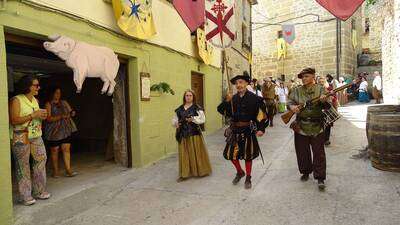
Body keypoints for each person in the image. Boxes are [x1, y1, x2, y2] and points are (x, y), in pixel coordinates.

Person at [217, 73, 267, 189]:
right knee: (231, 155)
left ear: (246, 84)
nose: (238, 85)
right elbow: (220, 110)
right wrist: (226, 101)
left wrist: (261, 129)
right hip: (234, 130)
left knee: (247, 155)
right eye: (236, 83)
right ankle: (240, 172)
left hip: (248, 131)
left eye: (241, 82)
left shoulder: (255, 98)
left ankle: (248, 177)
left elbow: (261, 114)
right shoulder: (232, 98)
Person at [9, 75, 51, 206]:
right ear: (28, 86)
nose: (39, 87)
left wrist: (41, 116)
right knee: (23, 165)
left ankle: (39, 191)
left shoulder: (35, 100)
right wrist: (33, 115)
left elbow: (35, 117)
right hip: (21, 136)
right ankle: (25, 196)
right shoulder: (16, 100)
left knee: (41, 160)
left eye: (38, 85)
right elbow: (14, 120)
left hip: (36, 135)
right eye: (36, 85)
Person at [287, 68, 331, 191]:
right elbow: (289, 101)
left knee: (319, 153)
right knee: (302, 152)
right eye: (302, 77)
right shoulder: (296, 90)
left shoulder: (321, 89)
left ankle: (320, 177)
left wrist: (324, 101)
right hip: (301, 126)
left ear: (313, 76)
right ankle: (305, 172)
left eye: (306, 76)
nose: (304, 78)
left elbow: (328, 105)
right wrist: (292, 106)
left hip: (317, 126)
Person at [173, 90, 212, 182]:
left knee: (197, 152)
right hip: (182, 134)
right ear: (184, 97)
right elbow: (174, 119)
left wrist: (193, 119)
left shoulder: (197, 107)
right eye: (187, 95)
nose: (188, 97)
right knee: (184, 154)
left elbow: (202, 119)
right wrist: (175, 123)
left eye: (190, 95)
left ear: (193, 97)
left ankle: (202, 171)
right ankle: (184, 174)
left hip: (194, 133)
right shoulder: (179, 109)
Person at [44, 87, 78, 178]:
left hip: (65, 130)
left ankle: (68, 170)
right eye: (56, 93)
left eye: (59, 93)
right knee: (55, 151)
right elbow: (48, 118)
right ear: (52, 94)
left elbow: (71, 111)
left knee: (66, 149)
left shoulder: (64, 102)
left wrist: (72, 113)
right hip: (53, 132)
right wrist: (61, 116)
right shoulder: (48, 104)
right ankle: (56, 171)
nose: (58, 95)